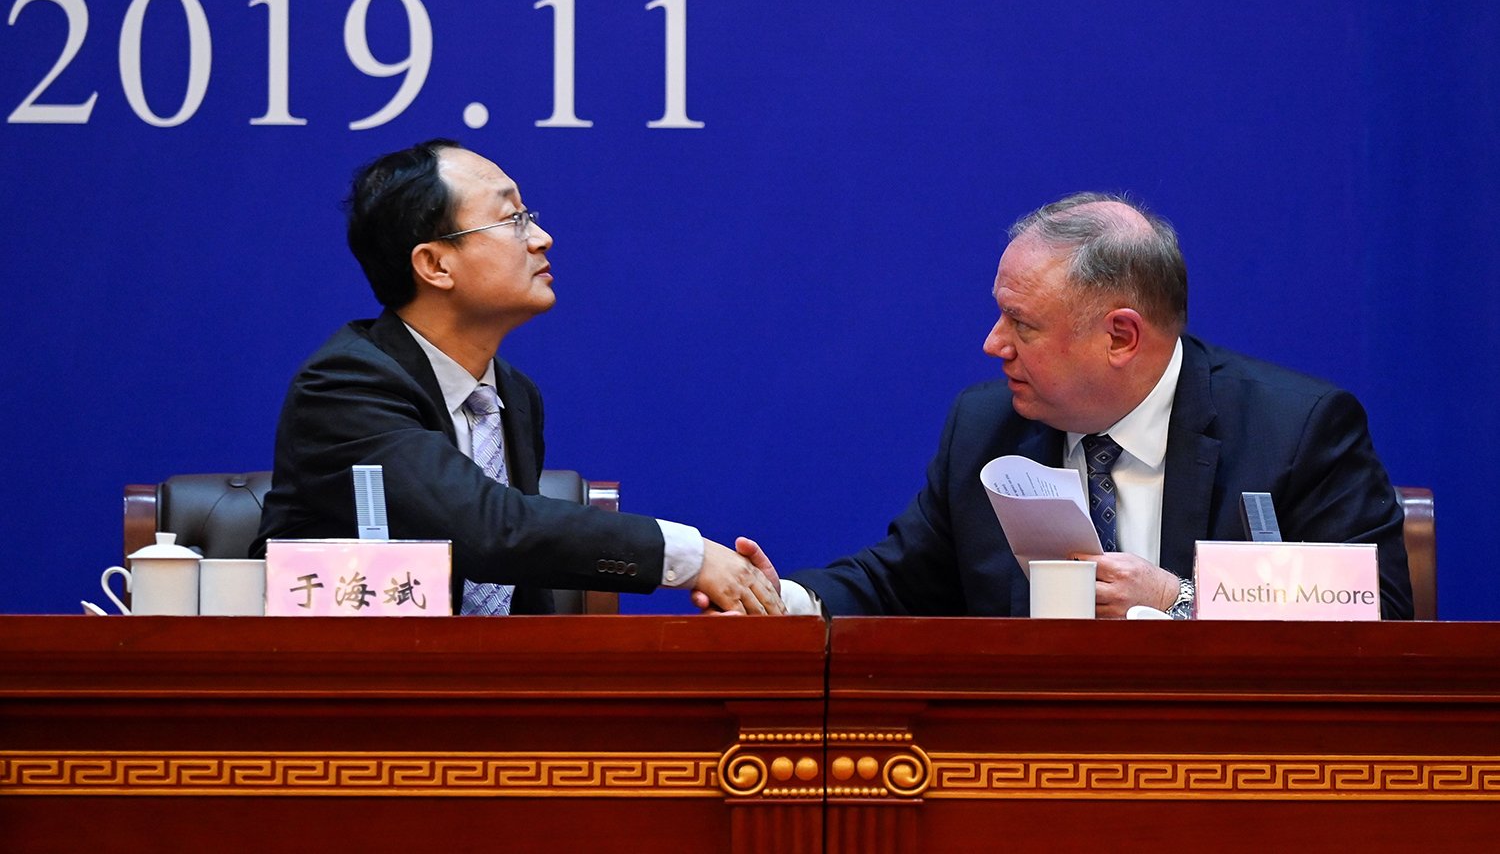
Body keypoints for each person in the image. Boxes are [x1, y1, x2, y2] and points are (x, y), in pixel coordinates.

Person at [726, 193, 1412, 620]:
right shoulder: (989, 430)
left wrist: (1180, 603)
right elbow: (898, 583)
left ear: (1120, 336)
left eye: (1022, 325)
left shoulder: (1294, 430)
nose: (994, 344)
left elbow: (1374, 616)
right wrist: (780, 601)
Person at [252, 138, 783, 616]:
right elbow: (487, 530)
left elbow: (516, 580)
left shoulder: (511, 394)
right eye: (513, 220)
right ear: (435, 264)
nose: (542, 238)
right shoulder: (347, 383)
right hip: (353, 696)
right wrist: (687, 556)